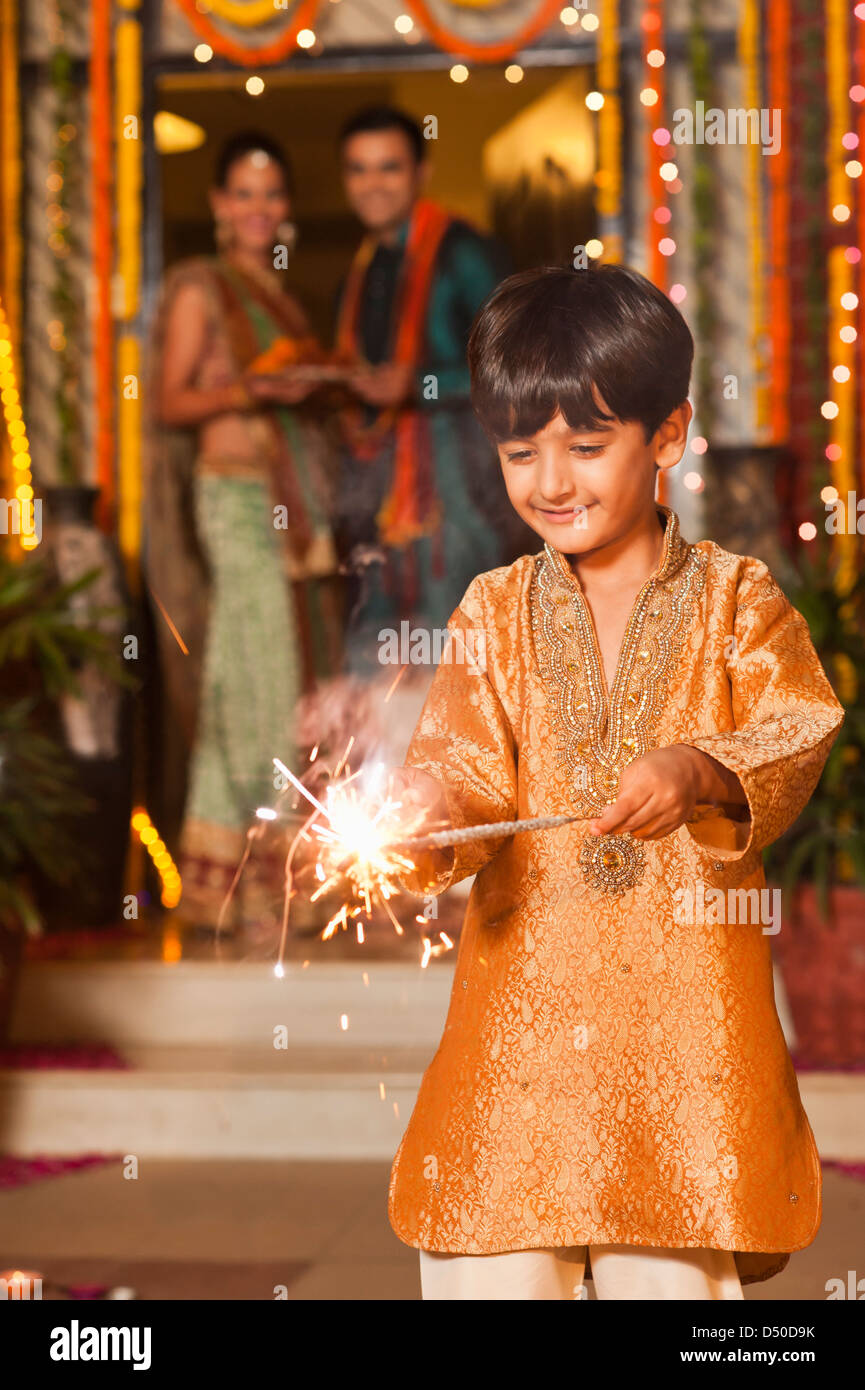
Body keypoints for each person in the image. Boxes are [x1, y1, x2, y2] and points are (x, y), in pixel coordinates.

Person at [384, 264, 845, 1299]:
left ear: (667, 437)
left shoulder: (735, 599)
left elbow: (800, 723)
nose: (551, 478)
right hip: (517, 1044)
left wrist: (699, 767)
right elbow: (460, 778)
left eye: (586, 447)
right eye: (519, 450)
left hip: (683, 1047)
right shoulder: (492, 614)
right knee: (488, 1266)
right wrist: (423, 814)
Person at [143, 130, 342, 933]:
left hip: (282, 504)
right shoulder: (201, 288)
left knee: (259, 675)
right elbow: (167, 404)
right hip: (231, 501)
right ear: (219, 205)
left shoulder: (278, 293)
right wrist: (250, 390)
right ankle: (251, 881)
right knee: (255, 676)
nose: (258, 208)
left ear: (284, 207)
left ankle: (235, 879)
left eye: (272, 194)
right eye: (243, 193)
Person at [332, 105, 530, 676]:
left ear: (421, 172)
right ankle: (387, 770)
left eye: (388, 168)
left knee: (457, 659)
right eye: (359, 170)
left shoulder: (463, 251)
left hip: (457, 487)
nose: (373, 184)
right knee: (378, 658)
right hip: (378, 489)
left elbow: (515, 367)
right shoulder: (365, 266)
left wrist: (415, 385)